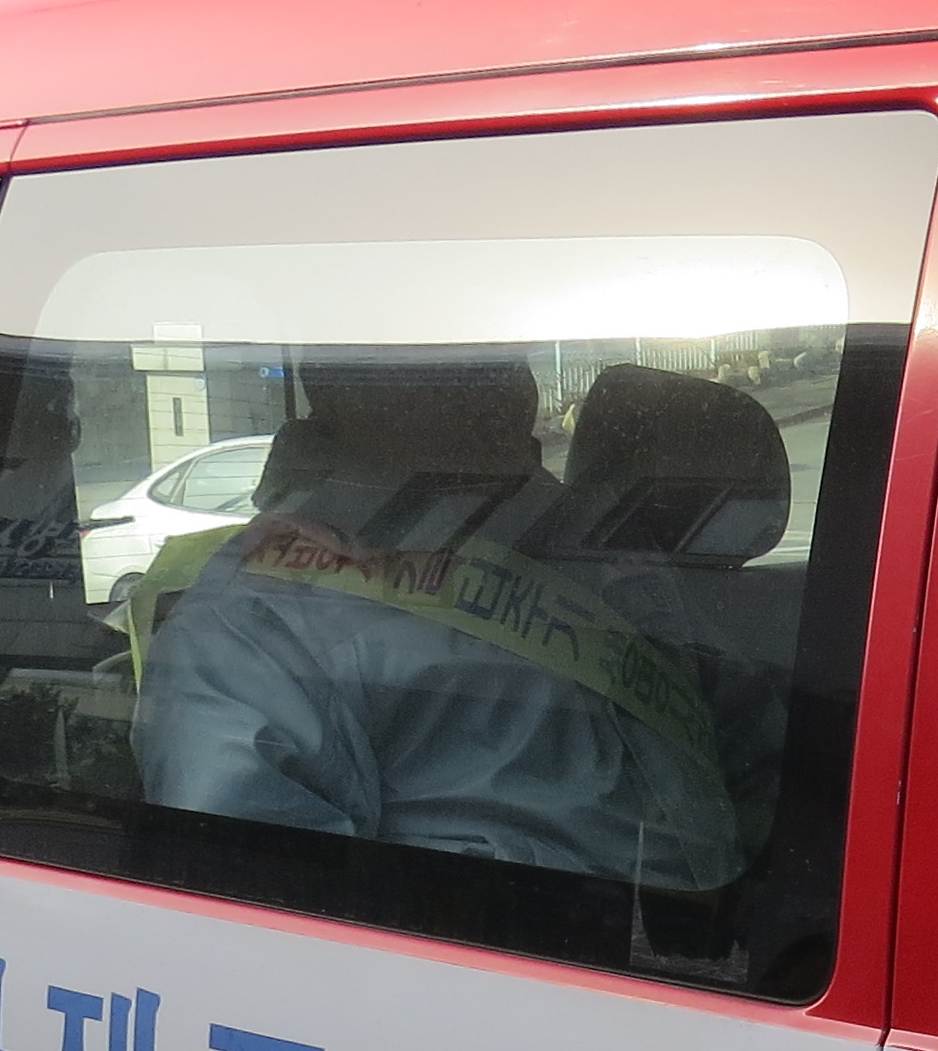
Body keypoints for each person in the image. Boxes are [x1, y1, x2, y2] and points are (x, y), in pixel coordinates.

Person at [132, 353, 741, 888]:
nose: (502, 387)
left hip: (713, 940)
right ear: (343, 389)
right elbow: (259, 899)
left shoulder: (598, 551)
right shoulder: (260, 609)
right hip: (518, 958)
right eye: (452, 367)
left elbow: (740, 740)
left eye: (505, 359)